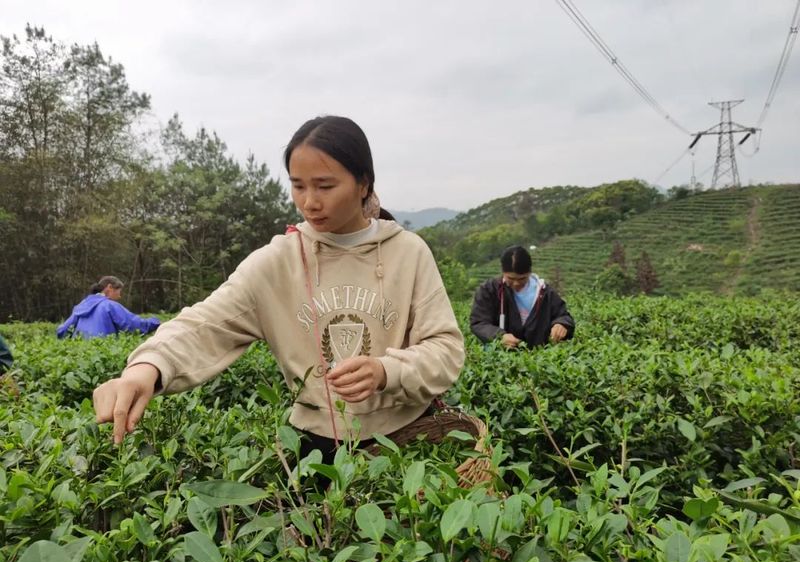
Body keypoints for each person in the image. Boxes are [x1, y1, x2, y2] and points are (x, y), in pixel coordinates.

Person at [91, 115, 465, 463]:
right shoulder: (278, 261)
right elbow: (205, 325)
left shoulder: (408, 252)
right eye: (298, 186)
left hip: (407, 439)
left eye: (325, 186)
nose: (309, 202)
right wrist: (146, 368)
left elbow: (445, 349)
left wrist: (386, 372)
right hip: (316, 447)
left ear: (363, 183)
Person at [470, 245, 575, 349]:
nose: (516, 283)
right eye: (511, 278)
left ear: (529, 272)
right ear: (503, 271)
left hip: (540, 354)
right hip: (501, 355)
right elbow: (479, 322)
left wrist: (561, 324)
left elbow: (563, 316)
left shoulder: (545, 292)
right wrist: (499, 336)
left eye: (522, 279)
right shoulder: (489, 290)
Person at [56, 276, 161, 339]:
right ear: (109, 287)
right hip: (102, 352)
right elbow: (132, 324)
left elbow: (62, 331)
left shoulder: (81, 306)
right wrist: (155, 322)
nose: (119, 296)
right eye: (119, 291)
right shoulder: (109, 305)